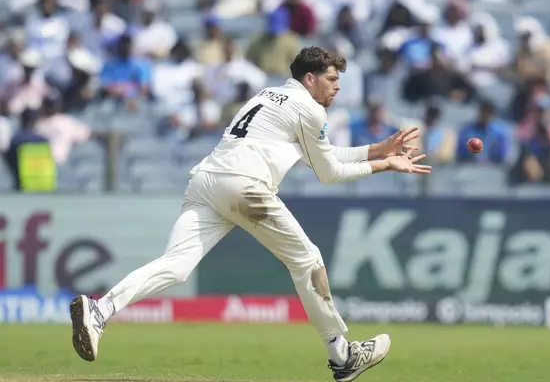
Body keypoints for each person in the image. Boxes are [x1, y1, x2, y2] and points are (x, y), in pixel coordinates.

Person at [69, 46, 431, 382]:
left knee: (176, 265)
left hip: (207, 180)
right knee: (309, 262)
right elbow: (328, 172)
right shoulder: (310, 108)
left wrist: (373, 150)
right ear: (310, 78)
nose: (337, 87)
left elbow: (320, 153)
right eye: (332, 79)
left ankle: (99, 311)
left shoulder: (269, 95)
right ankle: (342, 357)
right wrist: (385, 164)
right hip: (245, 186)